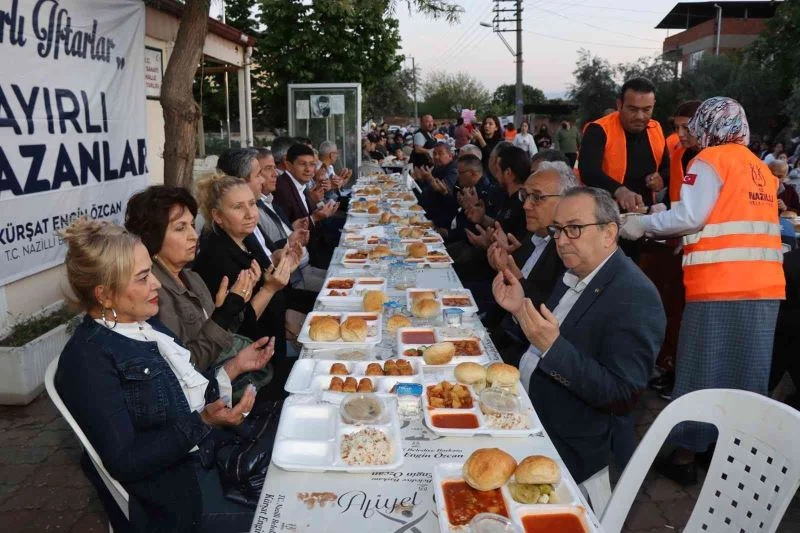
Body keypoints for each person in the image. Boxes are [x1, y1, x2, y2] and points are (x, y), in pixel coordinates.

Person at [55, 219, 277, 532]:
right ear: (104, 295)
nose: (156, 284)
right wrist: (204, 423)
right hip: (180, 499)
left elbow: (180, 395)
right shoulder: (88, 361)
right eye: (143, 277)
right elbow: (125, 460)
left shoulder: (144, 324)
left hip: (213, 457)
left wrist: (233, 367)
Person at [621, 97, 785, 485]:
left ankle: (684, 454)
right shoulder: (759, 167)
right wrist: (656, 219)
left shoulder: (710, 161)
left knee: (699, 370)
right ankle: (730, 455)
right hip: (764, 288)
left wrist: (642, 225)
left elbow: (690, 217)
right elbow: (715, 217)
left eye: (693, 127)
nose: (688, 135)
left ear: (711, 126)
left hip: (719, 287)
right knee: (746, 375)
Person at [493, 187, 665, 484]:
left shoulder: (635, 296)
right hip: (525, 411)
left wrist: (553, 349)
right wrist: (519, 308)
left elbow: (622, 394)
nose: (560, 240)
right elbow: (550, 335)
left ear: (609, 233)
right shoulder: (578, 271)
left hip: (571, 443)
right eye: (557, 229)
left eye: (573, 228)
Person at [124, 186, 290, 391]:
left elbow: (225, 340)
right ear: (152, 237)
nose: (193, 235)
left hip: (231, 379)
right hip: (209, 397)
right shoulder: (153, 294)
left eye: (192, 226)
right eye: (180, 228)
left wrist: (235, 304)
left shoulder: (192, 278)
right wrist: (225, 312)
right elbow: (185, 368)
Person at [192, 175, 311, 395]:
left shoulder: (245, 239)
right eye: (238, 207)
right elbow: (238, 329)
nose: (250, 214)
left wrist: (280, 264)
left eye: (252, 204)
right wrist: (270, 289)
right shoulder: (216, 257)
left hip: (272, 346)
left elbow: (266, 282)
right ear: (217, 216)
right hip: (253, 369)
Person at [643, 100, 702, 400]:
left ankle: (679, 375)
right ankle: (668, 368)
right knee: (671, 311)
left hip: (700, 253)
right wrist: (660, 208)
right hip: (677, 244)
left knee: (685, 321)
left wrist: (648, 222)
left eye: (686, 127)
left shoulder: (711, 160)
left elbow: (694, 214)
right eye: (677, 126)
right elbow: (680, 203)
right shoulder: (679, 153)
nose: (680, 133)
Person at [488, 162, 574, 365]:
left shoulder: (569, 250)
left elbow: (553, 313)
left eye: (537, 197)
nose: (526, 205)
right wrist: (502, 266)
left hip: (529, 355)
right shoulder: (534, 237)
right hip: (501, 333)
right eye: (525, 196)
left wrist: (515, 278)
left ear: (566, 202)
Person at [579, 77, 670, 214]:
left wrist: (661, 179)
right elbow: (589, 171)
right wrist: (619, 190)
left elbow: (667, 168)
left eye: (647, 110)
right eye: (632, 109)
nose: (640, 116)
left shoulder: (656, 128)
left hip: (646, 215)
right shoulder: (599, 129)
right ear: (619, 104)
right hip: (605, 214)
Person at [255, 148, 327, 291]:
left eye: (312, 164)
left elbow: (283, 234)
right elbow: (268, 254)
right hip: (294, 279)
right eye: (267, 169)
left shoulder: (269, 201)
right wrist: (312, 219)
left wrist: (294, 228)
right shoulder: (262, 206)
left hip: (305, 266)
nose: (275, 174)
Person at [412, 143, 460, 230]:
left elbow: (441, 189)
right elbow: (428, 190)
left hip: (441, 220)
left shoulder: (453, 170)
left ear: (450, 155)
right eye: (434, 154)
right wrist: (421, 180)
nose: (436, 157)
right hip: (427, 212)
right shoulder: (438, 168)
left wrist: (429, 179)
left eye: (440, 153)